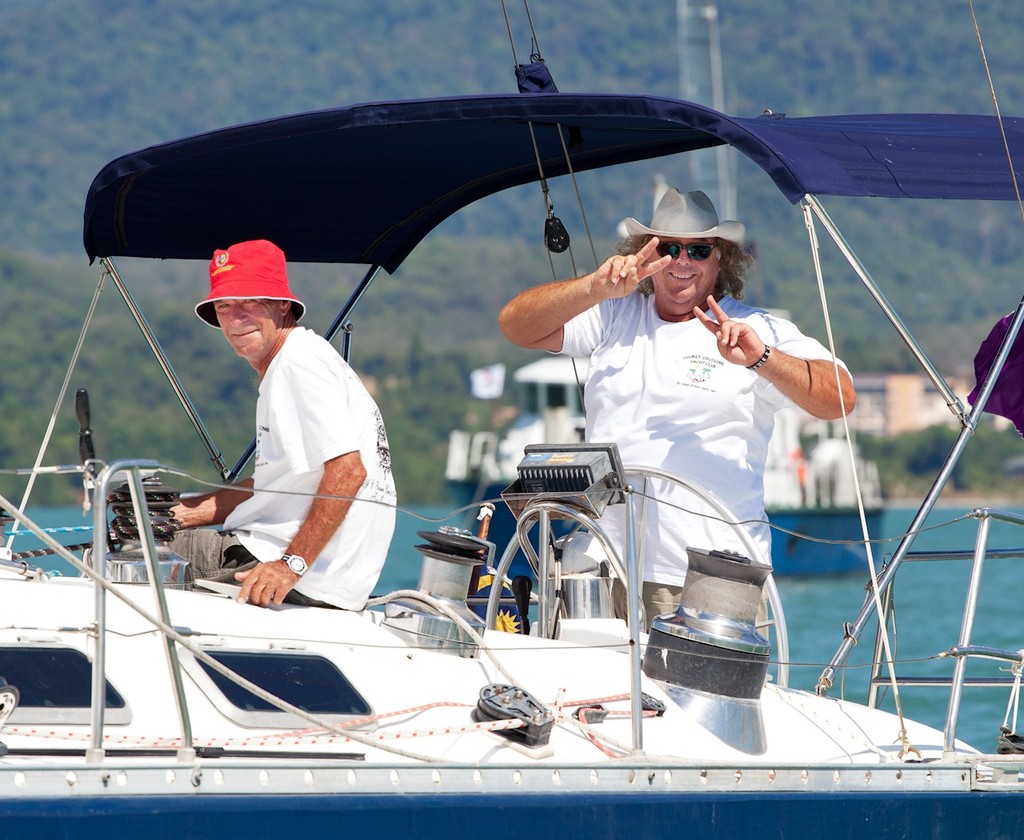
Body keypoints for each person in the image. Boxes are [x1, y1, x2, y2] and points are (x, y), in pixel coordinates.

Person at [498, 189, 857, 622]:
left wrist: (762, 358)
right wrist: (594, 286)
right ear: (645, 255)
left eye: (698, 250)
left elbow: (840, 397)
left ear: (720, 259)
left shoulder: (754, 327)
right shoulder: (613, 316)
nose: (682, 261)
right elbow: (515, 325)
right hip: (604, 567)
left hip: (711, 575)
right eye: (668, 248)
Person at [168, 239, 396, 609]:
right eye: (224, 306)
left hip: (289, 568)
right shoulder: (302, 359)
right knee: (146, 535)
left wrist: (290, 566)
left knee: (123, 553)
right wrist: (179, 513)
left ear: (284, 305)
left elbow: (349, 472)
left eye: (250, 302)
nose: (235, 317)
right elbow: (275, 486)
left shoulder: (297, 363)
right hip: (331, 581)